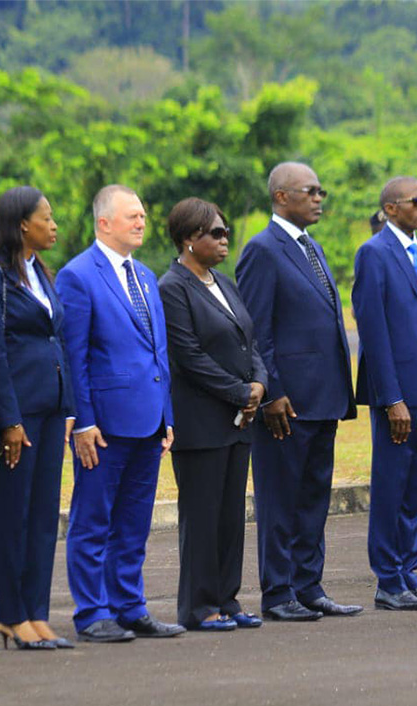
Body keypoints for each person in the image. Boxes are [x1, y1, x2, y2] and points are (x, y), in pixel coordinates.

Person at [56, 185, 185, 642]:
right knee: (93, 520)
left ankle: (130, 606)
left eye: (144, 215)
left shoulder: (146, 276)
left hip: (149, 421)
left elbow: (159, 354)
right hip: (104, 425)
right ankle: (92, 612)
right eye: (131, 215)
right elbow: (76, 357)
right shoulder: (78, 276)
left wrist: (167, 415)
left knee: (134, 523)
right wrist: (84, 422)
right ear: (104, 222)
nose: (141, 222)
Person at [236, 162, 361, 621]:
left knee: (312, 499)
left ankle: (309, 585)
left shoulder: (312, 247)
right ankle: (279, 591)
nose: (319, 198)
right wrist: (271, 394)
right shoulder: (263, 251)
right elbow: (255, 331)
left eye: (320, 191)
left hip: (323, 397)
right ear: (281, 197)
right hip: (286, 403)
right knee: (280, 501)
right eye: (310, 191)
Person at [0, 187, 76, 650]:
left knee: (42, 516)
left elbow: (57, 342)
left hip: (52, 411)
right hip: (18, 414)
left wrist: (69, 405)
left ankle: (36, 612)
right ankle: (10, 615)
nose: (53, 225)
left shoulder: (40, 272)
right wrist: (8, 419)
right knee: (12, 514)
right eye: (46, 218)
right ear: (21, 224)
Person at [160, 198, 268, 631]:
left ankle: (228, 597)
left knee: (230, 516)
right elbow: (188, 355)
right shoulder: (172, 287)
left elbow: (249, 341)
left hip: (237, 419)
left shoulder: (224, 282)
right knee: (202, 516)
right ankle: (200, 606)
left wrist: (260, 382)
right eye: (216, 234)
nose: (226, 240)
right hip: (202, 421)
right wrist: (239, 391)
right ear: (189, 239)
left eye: (226, 233)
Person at [352, 175, 417, 611]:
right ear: (391, 209)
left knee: (416, 488)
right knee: (392, 486)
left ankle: (409, 573)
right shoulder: (374, 253)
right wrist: (391, 398)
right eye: (416, 201)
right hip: (397, 394)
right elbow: (373, 332)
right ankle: (388, 580)